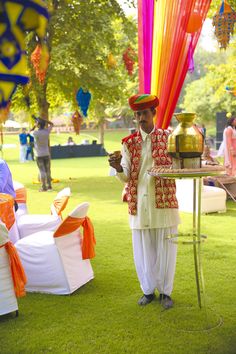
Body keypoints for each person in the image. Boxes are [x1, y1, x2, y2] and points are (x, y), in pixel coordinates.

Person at [108, 94, 180, 309]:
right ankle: (148, 291)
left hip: (164, 203)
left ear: (153, 114)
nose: (140, 118)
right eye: (137, 114)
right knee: (143, 250)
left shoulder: (169, 138)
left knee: (167, 249)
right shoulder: (128, 144)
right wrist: (118, 167)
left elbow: (178, 169)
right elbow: (126, 175)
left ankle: (166, 292)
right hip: (139, 204)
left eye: (144, 113)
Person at [31, 117, 54, 192]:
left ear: (38, 125)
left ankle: (44, 187)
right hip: (46, 154)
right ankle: (49, 186)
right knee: (48, 170)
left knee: (42, 171)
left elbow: (30, 131)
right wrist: (44, 120)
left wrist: (35, 125)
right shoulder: (47, 131)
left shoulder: (35, 133)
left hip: (39, 155)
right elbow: (52, 124)